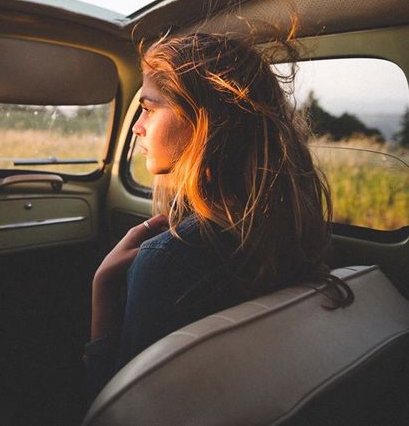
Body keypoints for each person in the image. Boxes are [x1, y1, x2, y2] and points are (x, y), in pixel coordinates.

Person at [84, 32, 351, 400]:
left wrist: (103, 287)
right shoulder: (290, 231)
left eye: (148, 108)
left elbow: (118, 407)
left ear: (203, 120)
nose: (136, 127)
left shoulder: (167, 261)